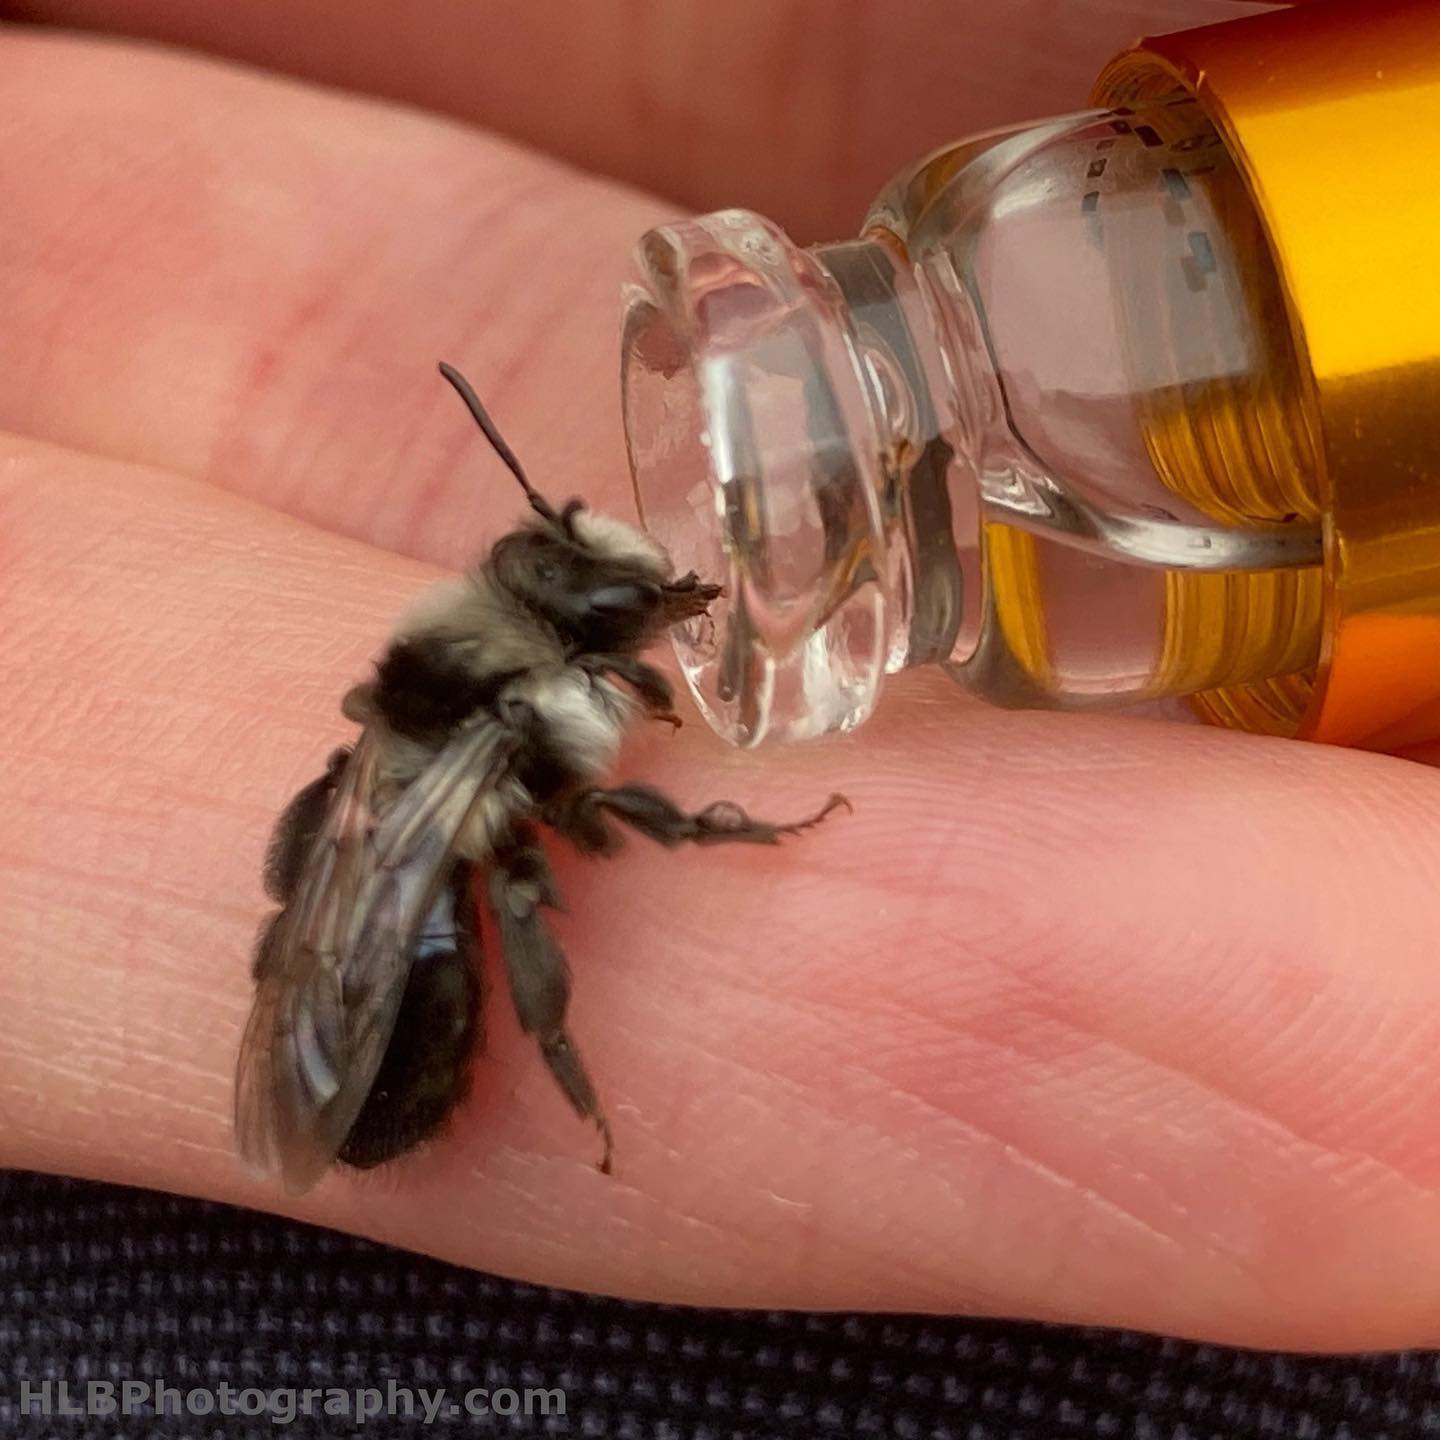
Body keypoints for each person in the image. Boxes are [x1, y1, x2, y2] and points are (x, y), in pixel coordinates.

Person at [3, 0, 1430, 1354]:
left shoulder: (483, 697)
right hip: (391, 1032)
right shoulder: (506, 723)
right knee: (492, 881)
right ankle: (547, 1073)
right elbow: (586, 807)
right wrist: (713, 837)